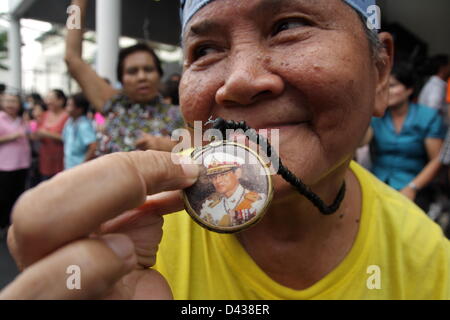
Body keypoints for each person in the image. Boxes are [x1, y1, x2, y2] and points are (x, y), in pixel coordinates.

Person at [2, 0, 450, 300]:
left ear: (380, 71)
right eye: (206, 49)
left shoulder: (425, 259)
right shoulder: (130, 238)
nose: (237, 81)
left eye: (290, 26)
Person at [65, 0, 184, 154]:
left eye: (148, 69)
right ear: (121, 79)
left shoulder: (179, 116)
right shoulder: (113, 103)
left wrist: (168, 147)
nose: (142, 77)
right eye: (132, 71)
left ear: (159, 74)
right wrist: (77, 4)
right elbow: (72, 58)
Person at [370, 63, 446, 211]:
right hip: (377, 182)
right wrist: (367, 110)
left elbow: (437, 159)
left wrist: (412, 188)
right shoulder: (377, 116)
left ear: (409, 89)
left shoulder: (427, 117)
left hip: (414, 184)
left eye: (392, 86)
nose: (386, 91)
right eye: (383, 86)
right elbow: (360, 143)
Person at [199, 153, 266, 227]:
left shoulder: (259, 200)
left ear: (237, 173)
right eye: (213, 177)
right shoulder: (210, 208)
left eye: (223, 174)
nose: (218, 181)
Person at [0, 93, 31, 238]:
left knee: (18, 195)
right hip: (5, 164)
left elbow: (30, 134)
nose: (11, 104)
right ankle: (4, 224)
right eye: (7, 101)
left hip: (22, 162)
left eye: (14, 101)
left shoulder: (21, 120)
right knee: (4, 196)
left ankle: (13, 224)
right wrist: (12, 137)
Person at [33, 89, 69, 180]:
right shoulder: (44, 115)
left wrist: (47, 134)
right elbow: (37, 132)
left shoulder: (68, 116)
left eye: (51, 98)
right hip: (45, 159)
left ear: (61, 101)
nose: (48, 101)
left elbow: (68, 138)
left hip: (61, 159)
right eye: (47, 98)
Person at [62, 93, 97, 169]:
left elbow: (93, 146)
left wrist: (82, 164)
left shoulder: (84, 125)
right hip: (69, 165)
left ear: (79, 109)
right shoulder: (69, 122)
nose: (66, 108)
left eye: (70, 105)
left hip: (79, 167)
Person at [418, 54, 450, 120]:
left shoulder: (438, 84)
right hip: (433, 127)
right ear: (443, 68)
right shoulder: (436, 87)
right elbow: (433, 108)